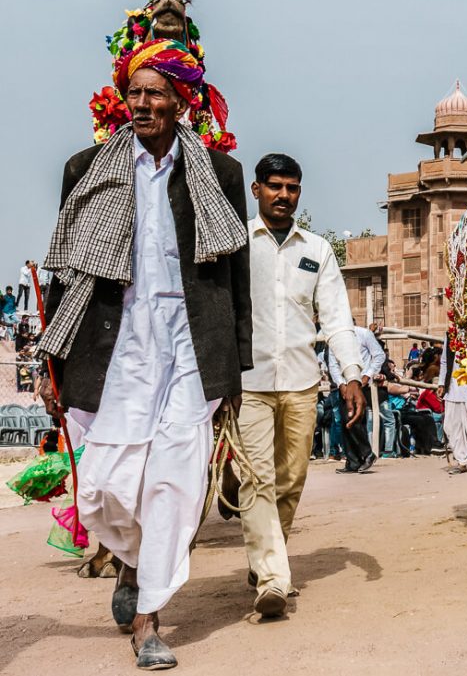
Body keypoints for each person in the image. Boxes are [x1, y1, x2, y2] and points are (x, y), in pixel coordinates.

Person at [39, 38, 251, 669]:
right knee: (104, 486)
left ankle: (150, 620)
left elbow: (236, 277)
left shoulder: (219, 173)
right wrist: (50, 361)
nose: (141, 103)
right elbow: (62, 270)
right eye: (134, 92)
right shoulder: (87, 168)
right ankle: (130, 562)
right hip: (111, 343)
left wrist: (236, 363)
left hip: (191, 344)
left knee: (173, 482)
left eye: (155, 92)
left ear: (180, 101)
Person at [239, 153, 365, 618]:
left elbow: (335, 317)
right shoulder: (237, 243)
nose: (283, 196)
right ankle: (273, 578)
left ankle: (265, 559)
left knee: (292, 480)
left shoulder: (317, 249)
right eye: (274, 187)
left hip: (300, 381)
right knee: (259, 480)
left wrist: (350, 374)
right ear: (257, 190)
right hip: (247, 382)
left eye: (292, 188)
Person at [325, 324, 384, 473]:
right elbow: (333, 364)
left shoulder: (364, 334)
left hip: (360, 384)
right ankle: (353, 461)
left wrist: (367, 375)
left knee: (353, 419)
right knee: (344, 420)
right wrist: (341, 384)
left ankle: (367, 453)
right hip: (343, 385)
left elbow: (379, 355)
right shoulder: (334, 339)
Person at [440, 342, 467, 473]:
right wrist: (441, 383)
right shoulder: (450, 336)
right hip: (453, 388)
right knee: (452, 426)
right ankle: (461, 461)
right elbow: (444, 361)